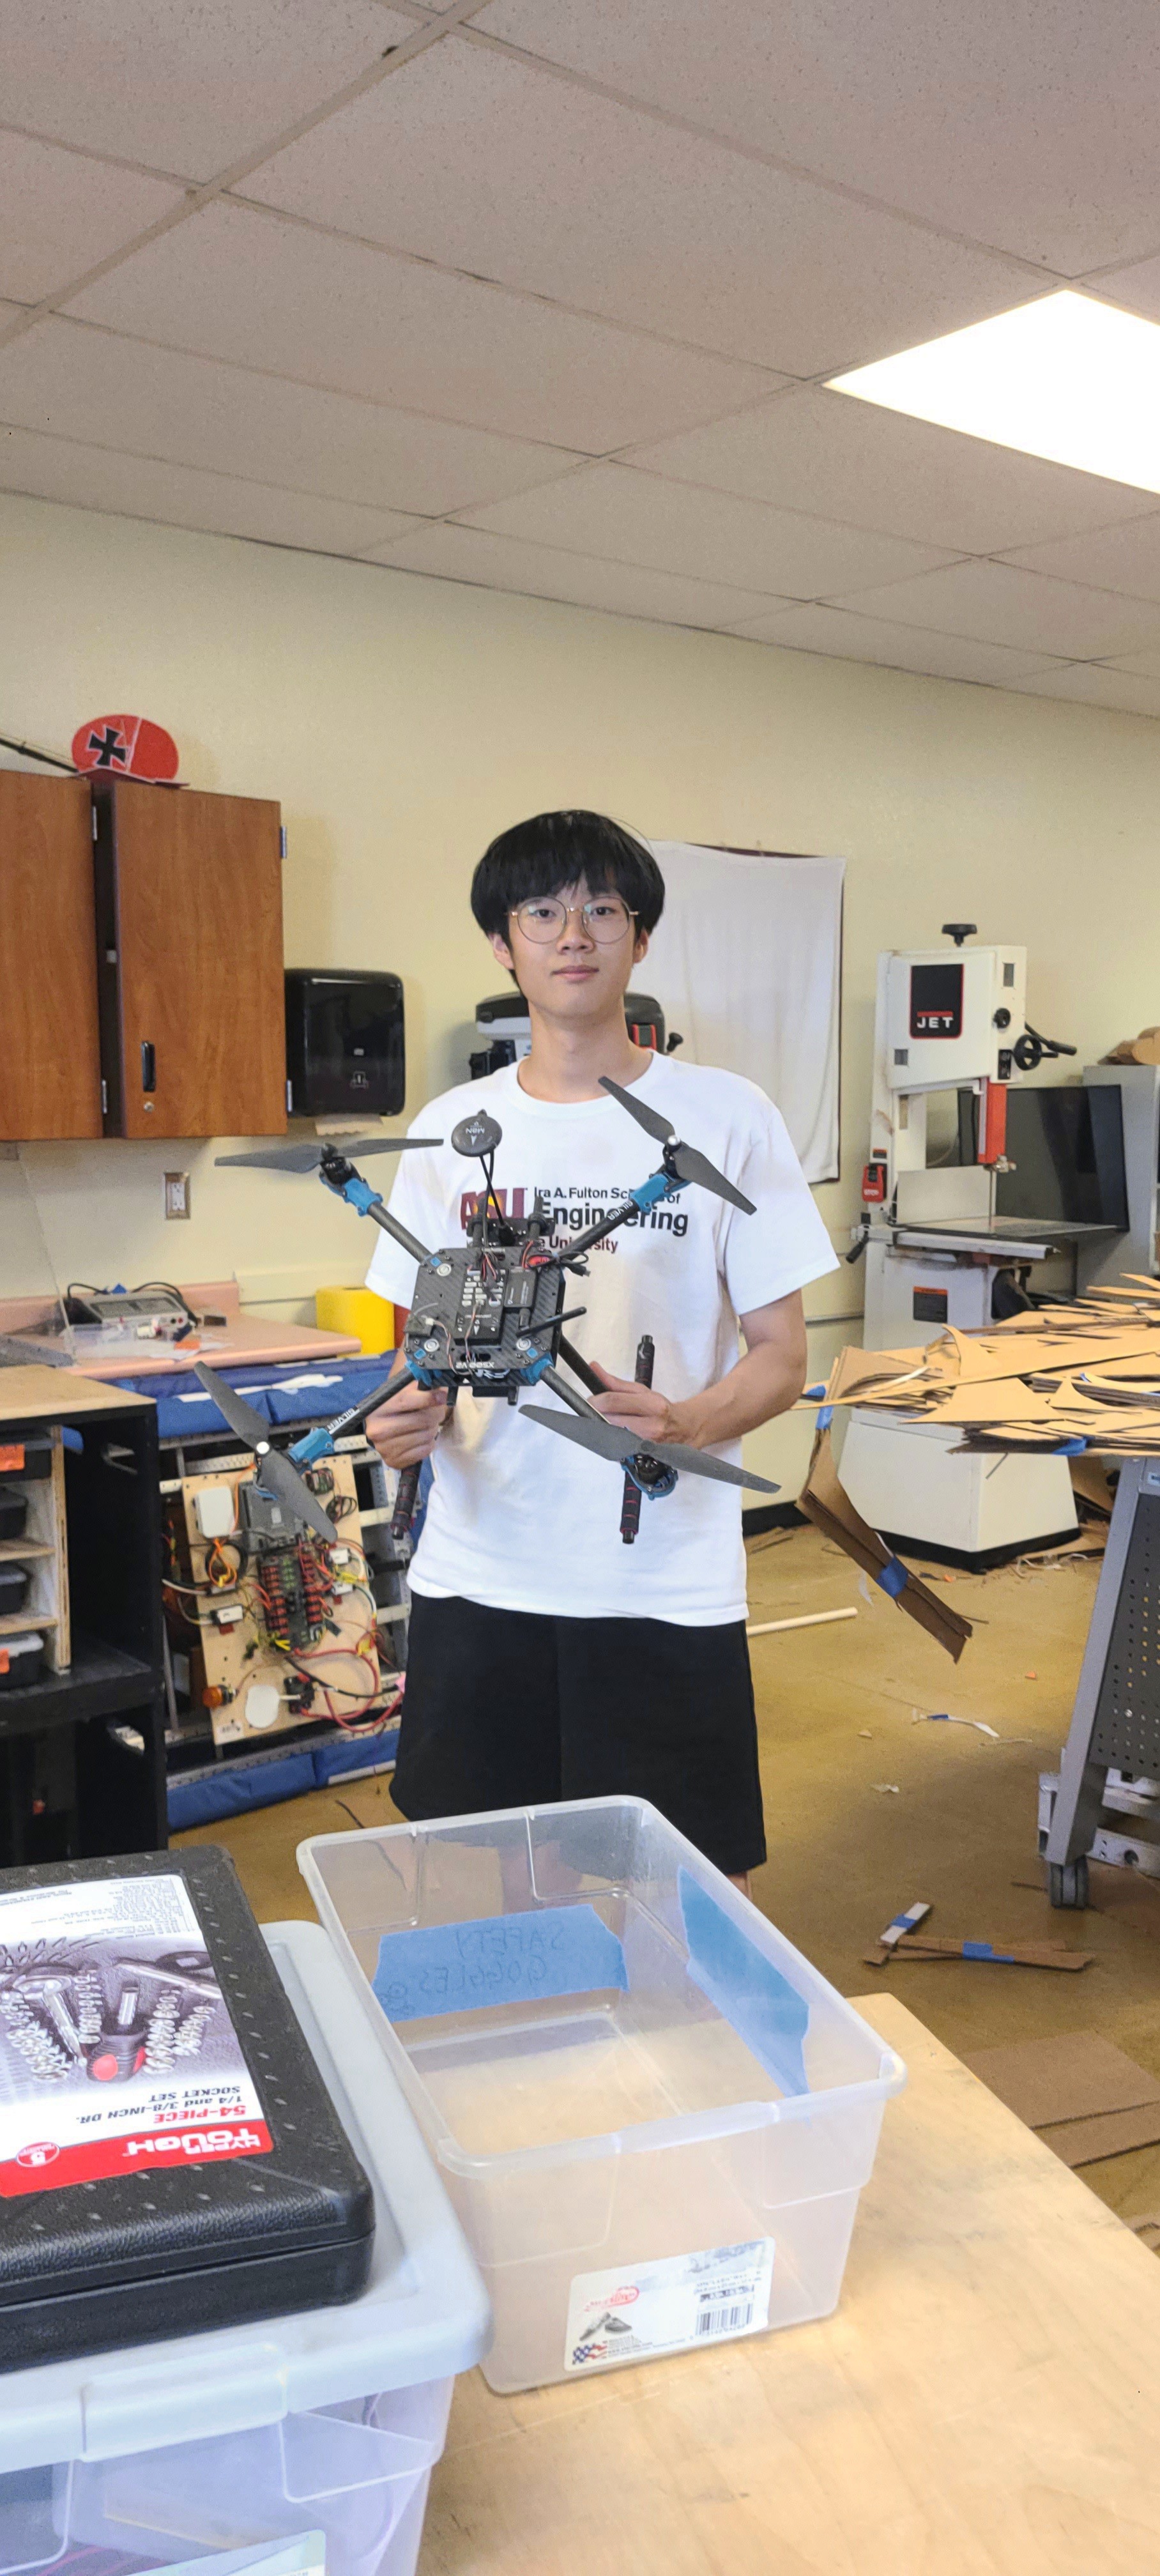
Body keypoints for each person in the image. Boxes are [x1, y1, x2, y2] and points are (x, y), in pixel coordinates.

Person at [365, 811, 837, 1888]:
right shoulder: (450, 1128)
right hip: (482, 1570)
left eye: (602, 909)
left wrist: (686, 1422)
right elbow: (415, 1349)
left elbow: (780, 1354)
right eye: (541, 911)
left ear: (640, 937)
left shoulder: (728, 1117)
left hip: (658, 1579)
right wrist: (399, 1418)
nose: (572, 932)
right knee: (483, 1873)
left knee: (673, 1886)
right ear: (503, 944)